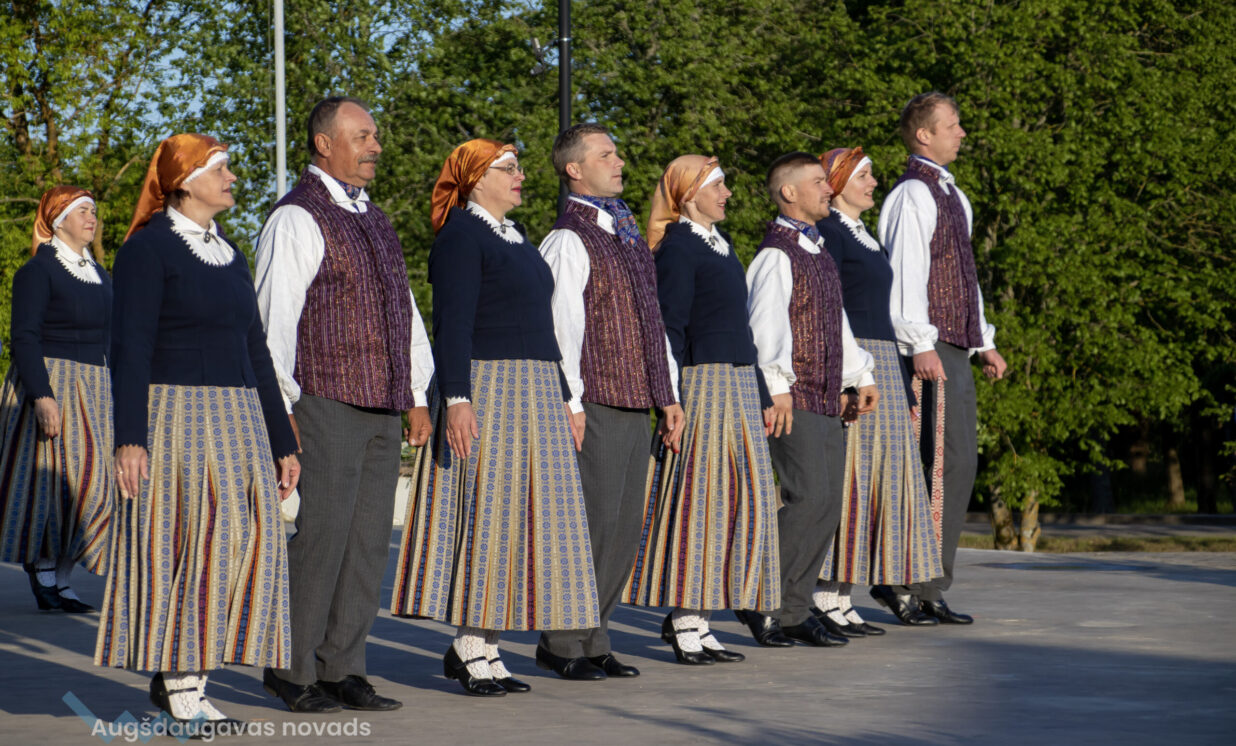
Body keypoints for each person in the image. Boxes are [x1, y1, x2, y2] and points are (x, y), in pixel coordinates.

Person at [95, 134, 300, 731]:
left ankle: (196, 678)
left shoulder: (229, 253)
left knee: (242, 546)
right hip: (176, 417)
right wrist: (130, 437)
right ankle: (179, 681)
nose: (232, 177)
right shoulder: (148, 250)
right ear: (184, 181)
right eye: (220, 169)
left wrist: (282, 440)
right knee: (188, 545)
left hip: (239, 420)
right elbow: (130, 348)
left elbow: (256, 351)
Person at [390, 139, 600, 697]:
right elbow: (452, 323)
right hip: (490, 386)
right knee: (489, 514)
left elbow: (543, 328)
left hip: (537, 389)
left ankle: (489, 643)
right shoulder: (461, 235)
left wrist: (566, 398)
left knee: (522, 520)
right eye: (507, 168)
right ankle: (468, 645)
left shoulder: (516, 236)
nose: (520, 175)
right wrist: (457, 397)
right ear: (476, 178)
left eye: (518, 166)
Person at [255, 96, 432, 712]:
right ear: (324, 144)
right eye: (362, 136)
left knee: (367, 544)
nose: (375, 146)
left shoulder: (375, 217)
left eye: (375, 135)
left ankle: (342, 666)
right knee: (322, 538)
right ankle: (290, 667)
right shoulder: (295, 217)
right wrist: (280, 411)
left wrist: (416, 394)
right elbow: (273, 321)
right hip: (323, 401)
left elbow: (405, 310)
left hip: (383, 404)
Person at [536, 123, 684, 680]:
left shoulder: (625, 233)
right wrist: (570, 401)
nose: (619, 162)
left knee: (623, 529)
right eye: (606, 155)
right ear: (575, 169)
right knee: (591, 525)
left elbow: (653, 323)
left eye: (617, 153)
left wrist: (667, 395)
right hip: (593, 400)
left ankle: (595, 635)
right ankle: (561, 641)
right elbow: (561, 327)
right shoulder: (568, 239)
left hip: (635, 400)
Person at [624, 154, 779, 665]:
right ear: (689, 194)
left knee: (739, 504)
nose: (727, 193)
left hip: (739, 384)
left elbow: (742, 329)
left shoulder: (721, 244)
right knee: (701, 504)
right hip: (703, 386)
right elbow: (667, 328)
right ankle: (685, 617)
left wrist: (760, 394)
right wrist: (669, 398)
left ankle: (701, 617)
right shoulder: (678, 249)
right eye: (718, 185)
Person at [875, 92, 1008, 625]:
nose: (962, 132)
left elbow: (963, 275)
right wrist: (919, 343)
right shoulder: (913, 193)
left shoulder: (952, 194)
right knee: (934, 464)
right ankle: (907, 581)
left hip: (954, 344)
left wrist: (984, 340)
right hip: (927, 347)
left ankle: (928, 583)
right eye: (953, 125)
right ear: (923, 134)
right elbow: (906, 273)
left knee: (957, 463)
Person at [743, 152, 879, 648]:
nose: (828, 188)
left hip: (824, 396)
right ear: (789, 192)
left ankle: (794, 610)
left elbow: (835, 324)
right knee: (807, 499)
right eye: (819, 181)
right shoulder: (776, 255)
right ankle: (761, 599)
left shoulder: (818, 251)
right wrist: (776, 389)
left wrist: (857, 376)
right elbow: (765, 328)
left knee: (826, 503)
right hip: (792, 397)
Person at [815, 146, 944, 631]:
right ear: (838, 182)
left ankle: (843, 592)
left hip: (882, 358)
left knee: (877, 481)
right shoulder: (830, 232)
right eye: (863, 175)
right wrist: (848, 375)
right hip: (857, 359)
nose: (873, 183)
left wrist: (895, 377)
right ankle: (825, 591)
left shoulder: (860, 233)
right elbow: (831, 306)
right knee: (852, 478)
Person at [0, 186, 113, 613]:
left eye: (94, 210)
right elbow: (24, 337)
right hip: (55, 382)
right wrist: (42, 395)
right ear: (58, 220)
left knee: (95, 488)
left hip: (97, 388)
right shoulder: (38, 271)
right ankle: (46, 571)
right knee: (54, 487)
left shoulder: (100, 275)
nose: (92, 217)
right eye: (82, 210)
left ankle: (61, 580)